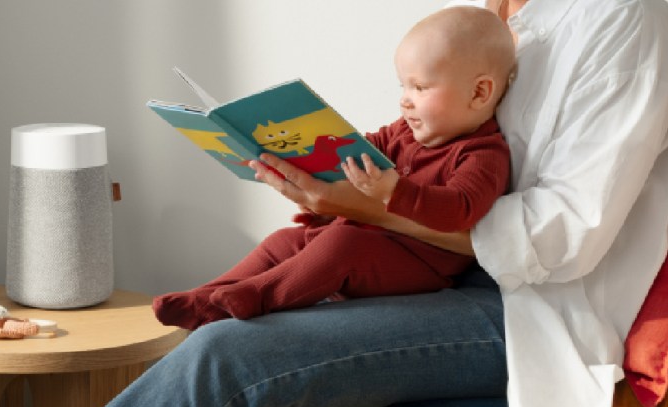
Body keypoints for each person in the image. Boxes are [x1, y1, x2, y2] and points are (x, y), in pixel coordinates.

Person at [10, 0, 668, 407]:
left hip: (527, 310)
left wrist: (378, 208)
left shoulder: (623, 21)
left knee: (227, 354)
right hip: (436, 276)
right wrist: (326, 178)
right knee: (255, 296)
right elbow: (415, 148)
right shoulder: (498, 25)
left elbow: (565, 237)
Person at [153, 6, 515, 331]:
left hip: (419, 262)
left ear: (480, 93)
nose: (405, 99)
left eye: (419, 87)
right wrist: (309, 151)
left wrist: (394, 192)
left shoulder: (483, 153)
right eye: (402, 85)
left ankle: (257, 296)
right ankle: (205, 297)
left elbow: (460, 210)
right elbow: (364, 149)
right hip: (367, 237)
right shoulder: (405, 130)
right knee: (285, 241)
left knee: (344, 243)